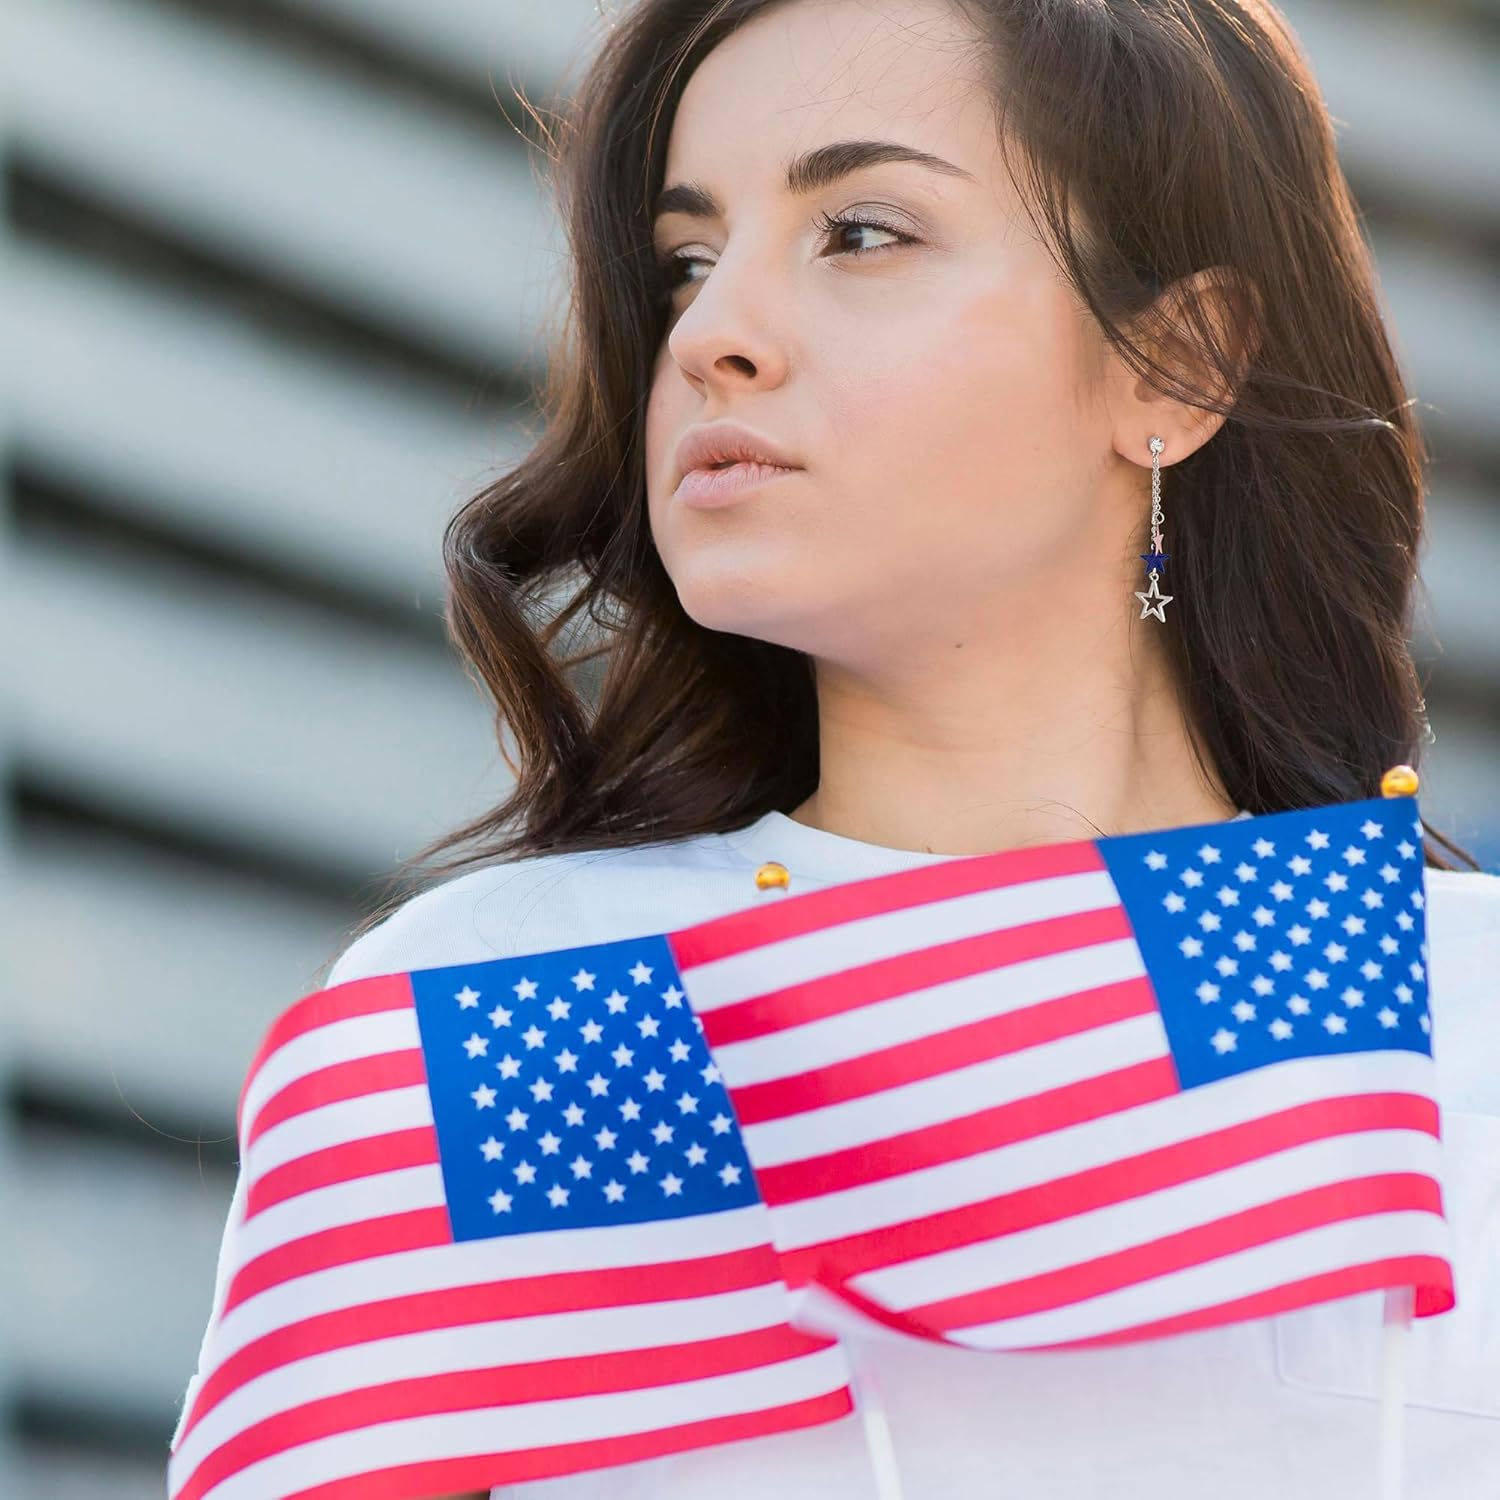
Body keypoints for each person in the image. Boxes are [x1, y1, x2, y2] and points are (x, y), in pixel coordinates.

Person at [179, 0, 1500, 1496]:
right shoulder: (508, 999)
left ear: (1175, 364)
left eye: (862, 233)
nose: (711, 336)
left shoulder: (1451, 1005)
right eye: (686, 262)